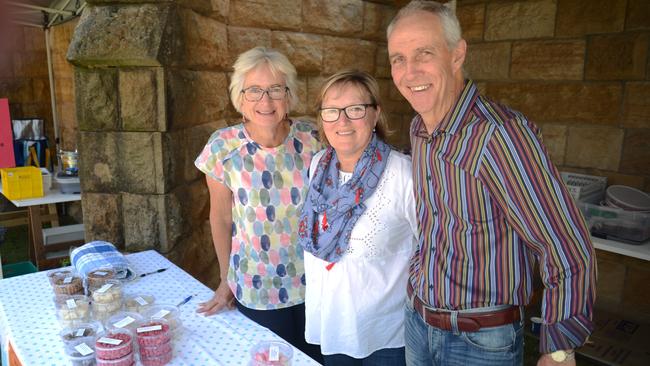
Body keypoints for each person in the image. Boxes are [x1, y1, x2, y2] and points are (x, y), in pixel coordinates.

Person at [386, 2, 597, 366]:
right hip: (418, 323)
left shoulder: (500, 135)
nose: (410, 71)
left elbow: (566, 246)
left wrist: (559, 348)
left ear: (457, 54)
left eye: (424, 53)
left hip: (480, 342)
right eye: (398, 59)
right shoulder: (419, 129)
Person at [194, 46, 323, 361]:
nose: (265, 101)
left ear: (289, 95)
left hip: (317, 286)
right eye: (254, 90)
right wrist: (226, 280)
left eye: (275, 89)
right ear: (240, 97)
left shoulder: (313, 138)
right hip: (257, 288)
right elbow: (221, 219)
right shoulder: (222, 147)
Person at [298, 69, 418, 366]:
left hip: (385, 336)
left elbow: (433, 249)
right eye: (331, 111)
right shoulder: (318, 165)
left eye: (355, 109)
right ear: (321, 119)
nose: (342, 121)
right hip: (332, 325)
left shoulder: (403, 174)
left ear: (375, 114)